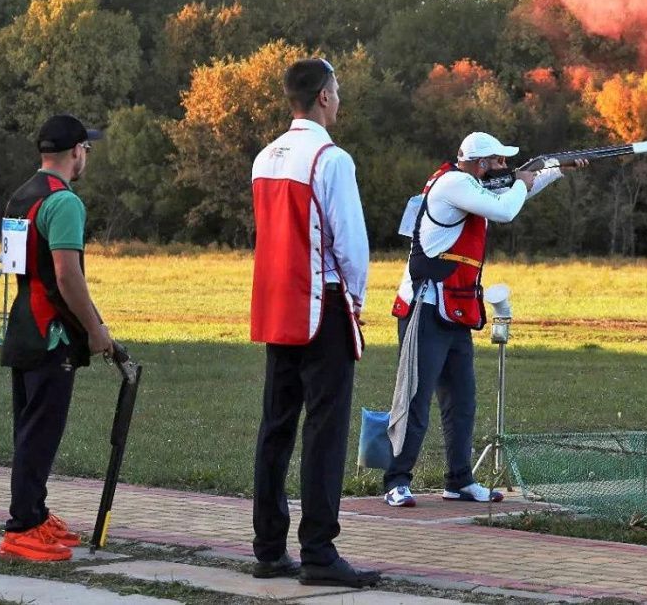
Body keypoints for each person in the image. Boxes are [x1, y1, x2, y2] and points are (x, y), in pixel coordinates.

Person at [384, 132, 581, 508]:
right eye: (499, 161)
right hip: (426, 305)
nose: (506, 168)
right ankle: (396, 480)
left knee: (462, 401)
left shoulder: (473, 185)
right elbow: (508, 206)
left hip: (454, 307)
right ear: (481, 165)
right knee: (415, 398)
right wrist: (525, 179)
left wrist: (557, 169)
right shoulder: (455, 183)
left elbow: (516, 190)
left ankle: (458, 480)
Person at [249, 59, 379, 588]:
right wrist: (357, 296)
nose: (340, 98)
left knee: (275, 427)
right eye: (338, 90)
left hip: (277, 302)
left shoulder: (265, 157)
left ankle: (268, 545)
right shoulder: (331, 157)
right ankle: (319, 550)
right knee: (325, 430)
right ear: (324, 96)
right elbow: (349, 240)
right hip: (321, 302)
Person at [0, 114, 114, 562]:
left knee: (29, 430)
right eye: (88, 149)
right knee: (40, 434)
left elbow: (17, 268)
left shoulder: (21, 195)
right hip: (52, 334)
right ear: (76, 152)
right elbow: (67, 275)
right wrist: (95, 329)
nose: (87, 156)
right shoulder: (64, 203)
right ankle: (22, 527)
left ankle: (34, 512)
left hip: (23, 324)